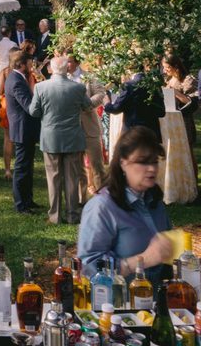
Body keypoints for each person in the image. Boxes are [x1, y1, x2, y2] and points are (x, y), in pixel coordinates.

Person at [77, 125, 173, 289]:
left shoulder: (154, 202)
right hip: (118, 308)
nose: (152, 168)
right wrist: (142, 260)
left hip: (156, 304)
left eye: (154, 161)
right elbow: (89, 268)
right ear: (123, 163)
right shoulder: (102, 207)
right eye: (142, 162)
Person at [28, 55, 92, 224]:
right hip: (73, 137)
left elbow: (33, 112)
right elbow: (87, 106)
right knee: (72, 178)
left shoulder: (41, 87)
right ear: (66, 69)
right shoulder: (78, 88)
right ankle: (72, 215)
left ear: (52, 69)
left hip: (51, 137)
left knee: (53, 177)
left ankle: (54, 215)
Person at [66, 51, 107, 201]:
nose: (66, 64)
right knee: (76, 167)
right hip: (70, 127)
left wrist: (88, 104)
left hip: (89, 125)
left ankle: (104, 199)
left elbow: (100, 93)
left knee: (97, 165)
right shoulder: (61, 78)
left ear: (76, 62)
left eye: (69, 61)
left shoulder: (88, 77)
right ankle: (80, 200)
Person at [5, 48, 41, 215]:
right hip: (22, 129)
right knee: (22, 167)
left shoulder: (17, 77)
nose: (31, 66)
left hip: (25, 128)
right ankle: (21, 204)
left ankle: (28, 199)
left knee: (27, 166)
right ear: (21, 64)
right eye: (29, 63)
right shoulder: (16, 80)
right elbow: (28, 106)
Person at [105, 62, 165, 137]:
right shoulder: (155, 85)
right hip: (152, 133)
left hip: (133, 134)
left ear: (128, 70)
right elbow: (161, 112)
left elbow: (116, 109)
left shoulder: (128, 86)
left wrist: (107, 103)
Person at [162, 52, 198, 171]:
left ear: (175, 67)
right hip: (170, 122)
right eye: (164, 67)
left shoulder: (188, 80)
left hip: (184, 121)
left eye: (167, 67)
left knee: (188, 153)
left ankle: (194, 187)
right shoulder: (168, 79)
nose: (164, 70)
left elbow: (192, 102)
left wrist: (174, 92)